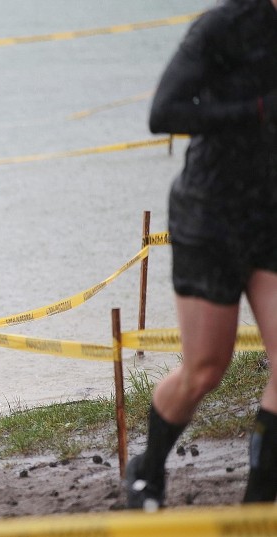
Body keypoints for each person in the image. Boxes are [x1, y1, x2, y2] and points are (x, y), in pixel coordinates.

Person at [126, 0, 277, 510]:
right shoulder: (224, 26)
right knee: (206, 370)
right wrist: (256, 112)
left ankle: (258, 508)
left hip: (272, 216)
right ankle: (147, 469)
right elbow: (163, 112)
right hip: (210, 215)